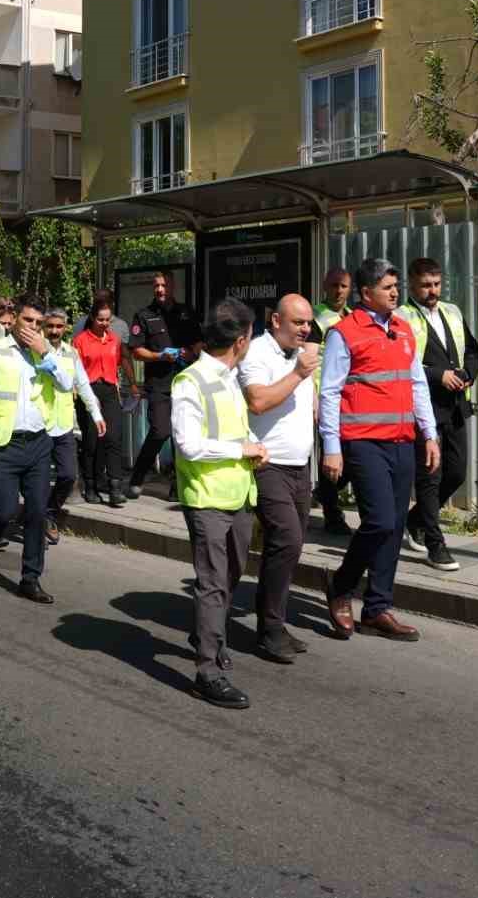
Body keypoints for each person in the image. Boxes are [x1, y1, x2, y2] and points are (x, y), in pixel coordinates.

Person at [318, 257, 440, 643]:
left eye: (396, 286)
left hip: (403, 440)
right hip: (363, 441)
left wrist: (430, 433)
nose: (395, 292)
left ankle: (378, 607)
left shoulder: (404, 330)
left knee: (396, 526)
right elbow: (330, 391)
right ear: (366, 293)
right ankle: (341, 585)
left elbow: (417, 383)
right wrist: (331, 447)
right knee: (380, 521)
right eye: (387, 287)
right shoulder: (344, 333)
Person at [173, 297, 268, 709]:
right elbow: (189, 446)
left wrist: (251, 450)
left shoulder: (230, 376)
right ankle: (207, 670)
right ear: (242, 341)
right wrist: (241, 449)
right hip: (207, 498)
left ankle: (207, 633)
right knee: (212, 583)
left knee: (230, 575)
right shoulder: (189, 381)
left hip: (239, 495)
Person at [0, 293, 73, 603]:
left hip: (39, 442)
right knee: (2, 511)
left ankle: (31, 577)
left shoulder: (45, 352)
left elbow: (67, 385)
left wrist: (47, 354)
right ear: (14, 318)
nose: (33, 327)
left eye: (39, 323)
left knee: (38, 512)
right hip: (4, 444)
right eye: (28, 320)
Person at [238, 293, 320, 664]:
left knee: (292, 545)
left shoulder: (301, 358)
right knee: (285, 539)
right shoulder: (257, 353)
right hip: (267, 464)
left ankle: (275, 621)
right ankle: (268, 629)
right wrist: (300, 373)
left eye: (308, 323)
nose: (306, 329)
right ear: (275, 321)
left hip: (300, 466)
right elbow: (258, 401)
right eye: (298, 323)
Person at [398, 257, 478, 573]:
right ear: (412, 283)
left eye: (436, 284)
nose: (432, 291)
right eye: (425, 285)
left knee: (457, 472)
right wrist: (438, 375)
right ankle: (435, 545)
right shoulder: (401, 317)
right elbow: (400, 362)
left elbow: (472, 350)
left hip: (455, 405)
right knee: (429, 477)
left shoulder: (451, 311)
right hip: (423, 407)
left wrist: (468, 373)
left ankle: (416, 519)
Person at [126, 270, 202, 501]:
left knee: (183, 433)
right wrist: (160, 356)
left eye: (164, 285)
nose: (160, 289)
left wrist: (190, 352)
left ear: (172, 287)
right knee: (160, 431)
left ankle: (177, 485)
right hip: (159, 384)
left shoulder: (186, 313)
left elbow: (199, 342)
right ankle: (138, 476)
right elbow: (136, 351)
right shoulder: (144, 315)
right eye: (156, 285)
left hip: (185, 382)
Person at [43, 307, 104, 544]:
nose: (55, 331)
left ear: (66, 328)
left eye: (59, 327)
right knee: (37, 480)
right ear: (43, 327)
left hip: (64, 424)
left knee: (68, 475)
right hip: (40, 425)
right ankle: (39, 520)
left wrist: (96, 413)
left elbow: (83, 383)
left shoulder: (71, 353)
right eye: (50, 326)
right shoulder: (36, 351)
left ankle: (49, 511)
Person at [71, 295, 130, 505]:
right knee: (92, 441)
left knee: (114, 437)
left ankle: (115, 485)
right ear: (92, 318)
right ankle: (90, 483)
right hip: (90, 390)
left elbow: (119, 362)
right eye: (101, 320)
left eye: (108, 320)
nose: (104, 324)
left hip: (110, 389)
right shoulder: (80, 341)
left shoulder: (114, 338)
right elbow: (75, 373)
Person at [311, 267, 353, 534]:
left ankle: (325, 493)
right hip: (325, 397)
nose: (338, 291)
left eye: (344, 286)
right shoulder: (316, 317)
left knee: (348, 455)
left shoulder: (352, 317)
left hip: (350, 399)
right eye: (334, 285)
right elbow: (309, 358)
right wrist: (313, 398)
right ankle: (331, 512)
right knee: (331, 453)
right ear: (325, 286)